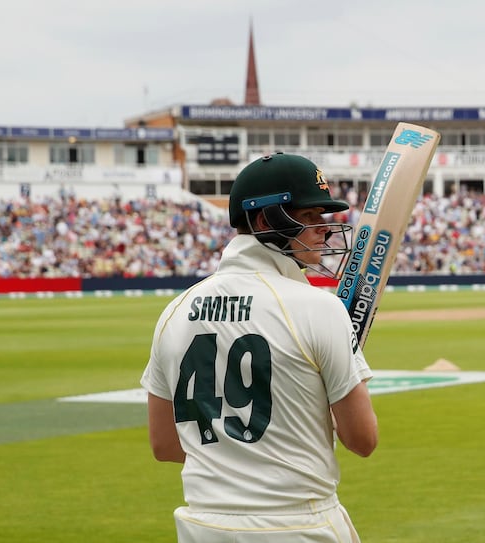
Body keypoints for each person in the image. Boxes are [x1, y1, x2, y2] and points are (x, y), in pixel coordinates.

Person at [141, 152, 378, 542]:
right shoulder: (319, 308)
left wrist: (237, 462)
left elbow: (165, 444)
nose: (323, 229)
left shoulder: (174, 311)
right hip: (299, 526)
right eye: (309, 217)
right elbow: (362, 440)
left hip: (204, 527)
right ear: (265, 220)